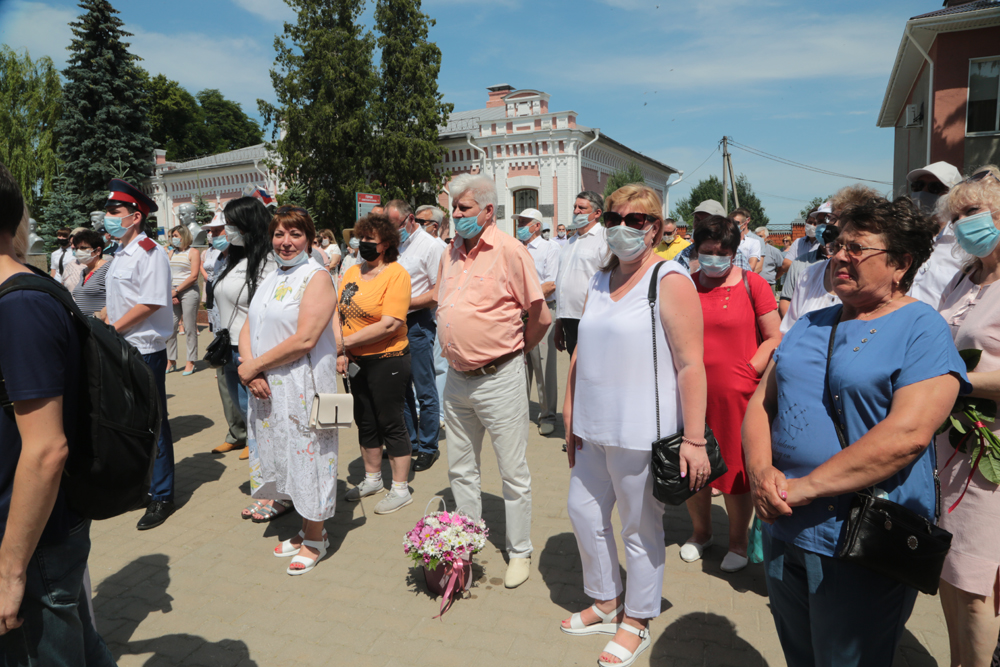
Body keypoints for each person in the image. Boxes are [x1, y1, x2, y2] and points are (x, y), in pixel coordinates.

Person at [743, 196, 967, 666]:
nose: (840, 256)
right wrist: (761, 473)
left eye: (857, 248)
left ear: (901, 263)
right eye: (837, 244)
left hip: (862, 536)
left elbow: (907, 436)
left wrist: (804, 487)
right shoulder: (809, 324)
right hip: (784, 525)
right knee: (801, 654)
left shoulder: (921, 328)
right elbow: (762, 405)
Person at [562, 183, 709, 667]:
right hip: (592, 426)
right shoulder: (600, 279)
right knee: (583, 512)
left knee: (640, 529)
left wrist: (694, 439)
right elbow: (581, 350)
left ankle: (638, 619)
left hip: (641, 430)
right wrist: (570, 411)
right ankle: (606, 599)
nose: (622, 227)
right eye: (613, 218)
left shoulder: (669, 278)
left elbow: (690, 364)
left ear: (657, 227)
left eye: (636, 219)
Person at [0, 166, 118, 665]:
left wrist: (10, 570)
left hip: (31, 540)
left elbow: (47, 448)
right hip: (34, 531)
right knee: (81, 648)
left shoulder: (19, 305)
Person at [437, 173, 551, 589]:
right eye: (454, 208)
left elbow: (540, 315)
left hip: (498, 378)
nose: (457, 215)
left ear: (488, 210)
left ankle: (519, 550)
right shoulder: (450, 252)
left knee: (512, 471)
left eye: (464, 208)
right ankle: (466, 542)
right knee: (461, 468)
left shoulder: (510, 250)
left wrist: (515, 352)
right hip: (457, 379)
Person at [239, 205, 341, 574]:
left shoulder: (317, 277)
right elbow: (249, 326)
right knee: (284, 455)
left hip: (304, 385)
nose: (286, 242)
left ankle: (316, 537)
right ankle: (304, 528)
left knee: (311, 457)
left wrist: (254, 366)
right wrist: (250, 369)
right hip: (268, 385)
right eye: (279, 234)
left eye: (295, 234)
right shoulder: (272, 276)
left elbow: (306, 338)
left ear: (310, 239)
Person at [682, 214, 781, 573]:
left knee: (736, 472)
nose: (714, 259)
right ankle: (701, 533)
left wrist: (751, 369)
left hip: (737, 397)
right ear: (696, 250)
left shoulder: (754, 284)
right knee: (692, 469)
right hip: (691, 396)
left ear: (734, 252)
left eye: (722, 253)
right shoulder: (685, 285)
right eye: (707, 251)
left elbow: (775, 336)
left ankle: (737, 541)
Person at [934, 167, 1000, 667]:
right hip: (950, 446)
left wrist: (957, 383)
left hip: (990, 449)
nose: (962, 224)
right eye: (955, 217)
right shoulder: (962, 277)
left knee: (978, 584)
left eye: (972, 211)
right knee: (949, 570)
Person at [100, 179, 175, 531]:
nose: (108, 217)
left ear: (135, 216)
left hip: (144, 350)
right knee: (130, 423)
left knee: (154, 423)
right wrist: (99, 322)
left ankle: (163, 495)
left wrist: (113, 328)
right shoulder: (119, 253)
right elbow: (118, 302)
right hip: (120, 346)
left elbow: (151, 302)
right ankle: (143, 486)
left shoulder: (150, 251)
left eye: (114, 211)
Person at [339, 212, 414, 513]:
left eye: (370, 239)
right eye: (361, 238)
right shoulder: (351, 272)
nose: (363, 243)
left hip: (388, 358)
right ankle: (372, 479)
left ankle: (400, 488)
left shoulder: (397, 274)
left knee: (390, 421)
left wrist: (344, 344)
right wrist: (343, 351)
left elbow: (390, 323)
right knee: (366, 420)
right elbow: (339, 313)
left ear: (386, 244)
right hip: (356, 359)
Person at [217, 200, 276, 467]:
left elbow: (265, 314)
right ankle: (261, 472)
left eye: (231, 224)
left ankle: (268, 472)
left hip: (250, 353)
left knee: (261, 419)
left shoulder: (268, 263)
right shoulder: (234, 258)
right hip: (228, 350)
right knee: (246, 413)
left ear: (248, 225)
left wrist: (254, 361)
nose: (226, 230)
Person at [388, 200, 445, 472]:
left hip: (418, 322)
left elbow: (438, 293)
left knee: (424, 388)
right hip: (394, 324)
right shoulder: (394, 246)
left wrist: (403, 304)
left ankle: (428, 447)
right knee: (401, 388)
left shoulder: (431, 246)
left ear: (410, 219)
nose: (392, 231)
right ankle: (409, 441)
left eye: (395, 225)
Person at [779, 185, 881, 331]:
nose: (840, 256)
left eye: (854, 247)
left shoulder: (884, 284)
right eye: (832, 219)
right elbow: (789, 332)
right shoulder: (809, 274)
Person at [516, 207, 561, 436]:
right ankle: (520, 413)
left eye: (524, 222)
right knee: (520, 364)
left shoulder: (550, 248)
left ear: (536, 226)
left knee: (543, 365)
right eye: (519, 222)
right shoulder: (517, 248)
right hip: (518, 313)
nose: (520, 226)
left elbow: (550, 284)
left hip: (541, 310)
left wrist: (525, 301)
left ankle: (547, 415)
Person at [905, 161, 964, 307]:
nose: (923, 192)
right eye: (918, 186)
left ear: (953, 195)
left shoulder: (963, 244)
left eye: (934, 188)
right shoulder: (902, 236)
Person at [555, 191, 607, 356]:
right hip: (568, 318)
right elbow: (562, 280)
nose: (576, 211)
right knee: (575, 365)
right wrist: (559, 323)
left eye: (582, 208)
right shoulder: (571, 241)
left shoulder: (604, 238)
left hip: (592, 319)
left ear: (597, 213)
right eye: (575, 207)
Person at [674, 200, 751, 273]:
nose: (700, 224)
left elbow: (745, 280)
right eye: (697, 219)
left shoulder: (735, 256)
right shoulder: (684, 254)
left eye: (706, 220)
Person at [165, 225, 202, 376]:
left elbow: (194, 276)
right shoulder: (171, 252)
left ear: (184, 236)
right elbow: (166, 274)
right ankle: (171, 359)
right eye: (171, 236)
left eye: (175, 235)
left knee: (189, 327)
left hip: (188, 291)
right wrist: (172, 293)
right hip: (173, 292)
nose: (173, 238)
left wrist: (177, 290)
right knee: (171, 326)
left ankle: (190, 361)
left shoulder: (193, 252)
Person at [70, 229, 110, 317]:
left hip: (99, 323)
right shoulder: (84, 272)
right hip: (82, 323)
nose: (78, 251)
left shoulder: (108, 269)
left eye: (83, 248)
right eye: (77, 248)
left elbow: (117, 298)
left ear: (98, 251)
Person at [731, 208, 763, 274]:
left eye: (737, 223)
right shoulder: (723, 242)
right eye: (731, 223)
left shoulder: (753, 242)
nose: (733, 225)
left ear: (744, 224)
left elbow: (751, 266)